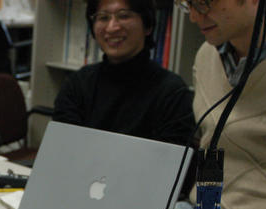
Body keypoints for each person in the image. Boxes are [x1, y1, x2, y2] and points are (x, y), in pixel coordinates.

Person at [184, 0, 266, 209]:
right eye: (188, 5)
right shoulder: (206, 55)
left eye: (203, 4)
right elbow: (213, 141)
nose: (194, 17)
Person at [53, 0, 196, 148]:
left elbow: (171, 158)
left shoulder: (172, 92)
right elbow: (63, 147)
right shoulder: (77, 84)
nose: (112, 27)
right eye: (103, 17)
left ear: (147, 26)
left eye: (124, 16)